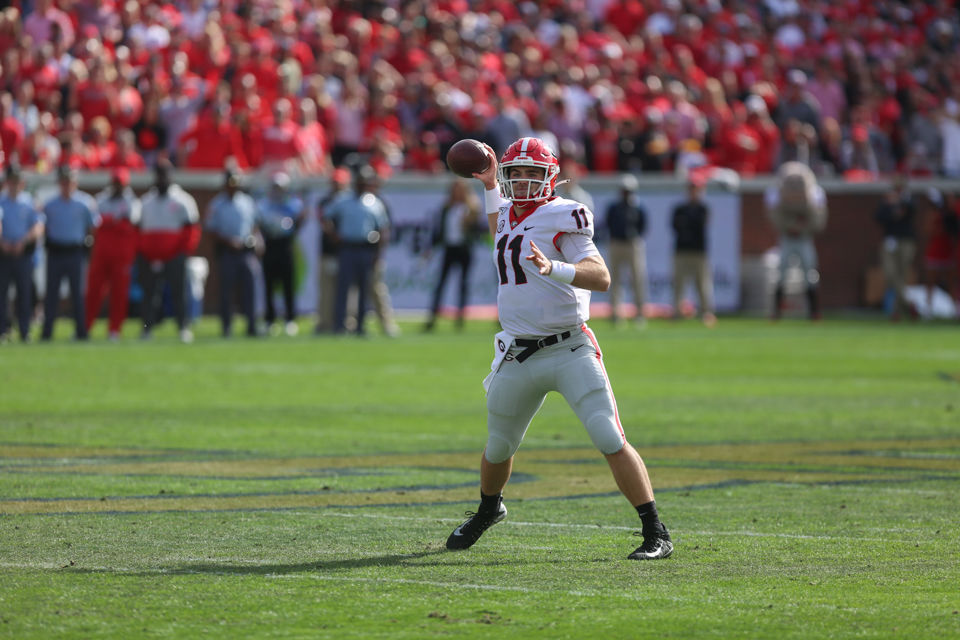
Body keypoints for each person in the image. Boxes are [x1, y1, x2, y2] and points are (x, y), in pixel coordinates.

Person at [445, 137, 673, 561]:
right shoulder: (508, 217)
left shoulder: (562, 214)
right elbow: (500, 229)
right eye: (518, 173)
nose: (526, 181)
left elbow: (601, 275)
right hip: (518, 352)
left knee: (609, 436)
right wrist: (489, 182)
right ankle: (489, 509)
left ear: (551, 177)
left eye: (535, 173)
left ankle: (655, 530)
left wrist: (555, 268)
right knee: (497, 447)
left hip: (569, 348)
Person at [138, 160, 201, 343]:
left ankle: (183, 327)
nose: (162, 178)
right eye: (159, 174)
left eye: (164, 174)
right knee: (149, 295)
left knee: (178, 293)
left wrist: (181, 252)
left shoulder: (183, 200)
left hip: (175, 256)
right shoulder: (146, 201)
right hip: (150, 257)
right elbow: (139, 230)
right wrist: (146, 252)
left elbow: (192, 230)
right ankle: (147, 329)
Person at [324, 165, 390, 336]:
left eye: (365, 181)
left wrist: (378, 253)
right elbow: (326, 217)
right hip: (347, 247)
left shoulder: (374, 203)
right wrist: (334, 235)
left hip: (365, 248)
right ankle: (340, 325)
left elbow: (383, 230)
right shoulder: (343, 200)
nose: (362, 184)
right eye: (360, 181)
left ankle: (360, 326)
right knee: (343, 288)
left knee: (364, 289)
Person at [41, 165, 99, 341]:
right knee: (52, 293)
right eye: (64, 182)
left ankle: (81, 331)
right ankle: (47, 332)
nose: (67, 185)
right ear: (59, 183)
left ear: (75, 183)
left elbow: (93, 227)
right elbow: (44, 227)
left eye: (70, 182)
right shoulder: (50, 205)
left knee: (78, 294)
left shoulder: (85, 203)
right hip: (56, 251)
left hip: (75, 251)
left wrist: (89, 247)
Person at [766, 161, 828, 320]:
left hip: (804, 238)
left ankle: (814, 311)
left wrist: (801, 227)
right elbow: (775, 217)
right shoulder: (776, 192)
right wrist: (793, 224)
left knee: (810, 272)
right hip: (787, 237)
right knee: (781, 272)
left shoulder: (815, 193)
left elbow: (818, 220)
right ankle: (776, 311)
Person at [85, 167, 141, 340]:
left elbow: (131, 223)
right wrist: (115, 222)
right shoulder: (101, 199)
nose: (117, 187)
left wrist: (110, 222)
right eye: (115, 183)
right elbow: (95, 224)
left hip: (122, 255)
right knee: (94, 291)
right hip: (101, 254)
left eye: (120, 184)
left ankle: (114, 329)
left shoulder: (132, 202)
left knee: (119, 293)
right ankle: (85, 327)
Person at [206, 169, 262, 338]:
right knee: (226, 291)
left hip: (246, 251)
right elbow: (211, 230)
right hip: (227, 252)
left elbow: (254, 225)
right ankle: (227, 327)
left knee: (251, 288)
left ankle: (252, 325)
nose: (233, 187)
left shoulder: (247, 202)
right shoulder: (217, 204)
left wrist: (256, 240)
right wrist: (229, 241)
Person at [424, 178, 480, 331]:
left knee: (463, 284)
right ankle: (432, 318)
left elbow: (478, 232)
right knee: (441, 284)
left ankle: (460, 319)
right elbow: (439, 231)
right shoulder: (446, 208)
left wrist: (468, 223)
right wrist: (430, 248)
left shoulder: (471, 209)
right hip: (449, 248)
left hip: (464, 249)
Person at [0, 166, 44, 342]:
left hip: (23, 253)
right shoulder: (1, 201)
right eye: (12, 181)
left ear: (22, 183)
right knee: (2, 294)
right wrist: (3, 242)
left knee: (24, 294)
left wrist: (23, 242)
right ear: (7, 182)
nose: (15, 184)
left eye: (18, 181)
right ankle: (3, 329)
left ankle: (24, 330)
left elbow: (38, 226)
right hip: (3, 253)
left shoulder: (29, 202)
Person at [257, 171, 304, 336]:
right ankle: (270, 320)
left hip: (286, 245)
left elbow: (300, 220)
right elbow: (260, 224)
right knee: (269, 285)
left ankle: (290, 319)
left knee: (288, 285)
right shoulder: (264, 204)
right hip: (270, 245)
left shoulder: (293, 204)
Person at [671, 176, 716, 327]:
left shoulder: (703, 209)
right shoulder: (680, 209)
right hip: (681, 251)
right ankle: (677, 312)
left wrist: (687, 225)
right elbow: (676, 227)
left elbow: (698, 226)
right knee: (679, 283)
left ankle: (706, 312)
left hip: (698, 251)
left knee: (702, 284)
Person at [604, 173, 649, 326]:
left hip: (633, 244)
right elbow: (608, 224)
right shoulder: (614, 207)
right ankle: (616, 313)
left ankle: (640, 313)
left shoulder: (638, 207)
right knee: (615, 280)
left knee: (637, 279)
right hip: (616, 243)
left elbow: (643, 226)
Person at [874, 176, 918, 321]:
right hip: (890, 241)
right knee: (891, 275)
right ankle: (909, 303)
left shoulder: (909, 198)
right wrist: (891, 207)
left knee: (902, 275)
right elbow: (878, 216)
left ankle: (896, 312)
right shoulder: (887, 200)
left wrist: (899, 202)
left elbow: (911, 209)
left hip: (906, 241)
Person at [313, 166, 351, 334]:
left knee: (349, 292)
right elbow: (325, 223)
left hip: (346, 251)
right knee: (327, 291)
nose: (337, 186)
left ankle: (348, 322)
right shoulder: (325, 202)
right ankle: (325, 323)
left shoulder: (351, 201)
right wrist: (337, 236)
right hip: (329, 251)